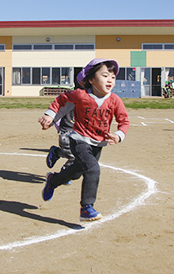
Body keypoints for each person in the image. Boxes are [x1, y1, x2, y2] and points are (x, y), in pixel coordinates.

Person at [38, 58, 130, 222]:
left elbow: (124, 121)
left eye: (113, 77)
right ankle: (87, 207)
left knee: (76, 173)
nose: (110, 80)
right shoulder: (81, 95)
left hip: (97, 144)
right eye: (104, 75)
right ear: (90, 79)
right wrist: (49, 115)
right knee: (93, 169)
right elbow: (61, 100)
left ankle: (53, 180)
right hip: (79, 140)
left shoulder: (115, 100)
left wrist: (119, 135)